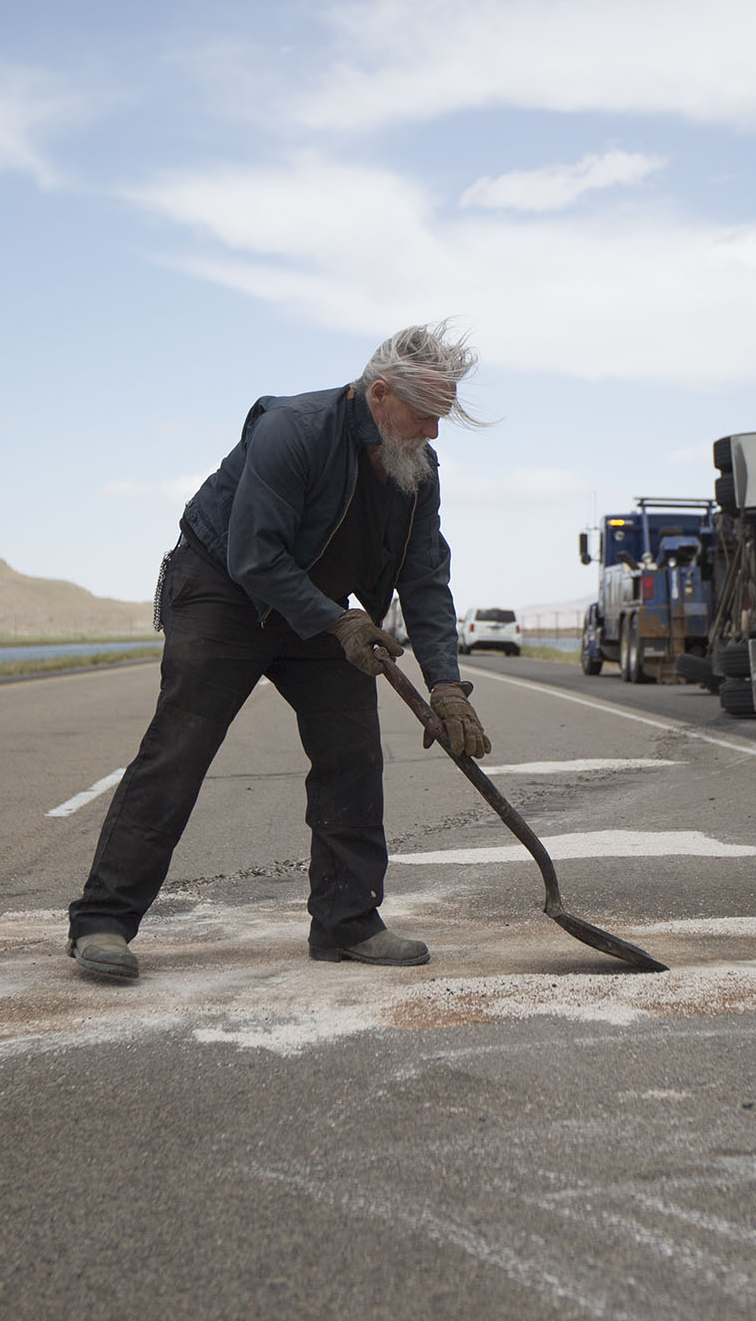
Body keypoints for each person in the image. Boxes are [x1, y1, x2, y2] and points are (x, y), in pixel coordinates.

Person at [65, 323, 493, 980]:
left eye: (444, 416)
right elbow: (254, 555)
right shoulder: (294, 430)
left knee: (352, 755)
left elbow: (426, 578)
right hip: (226, 592)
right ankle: (103, 922)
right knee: (180, 748)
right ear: (380, 394)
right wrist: (340, 624)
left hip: (318, 612)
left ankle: (348, 924)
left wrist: (447, 686)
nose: (435, 432)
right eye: (427, 415)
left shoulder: (416, 472)